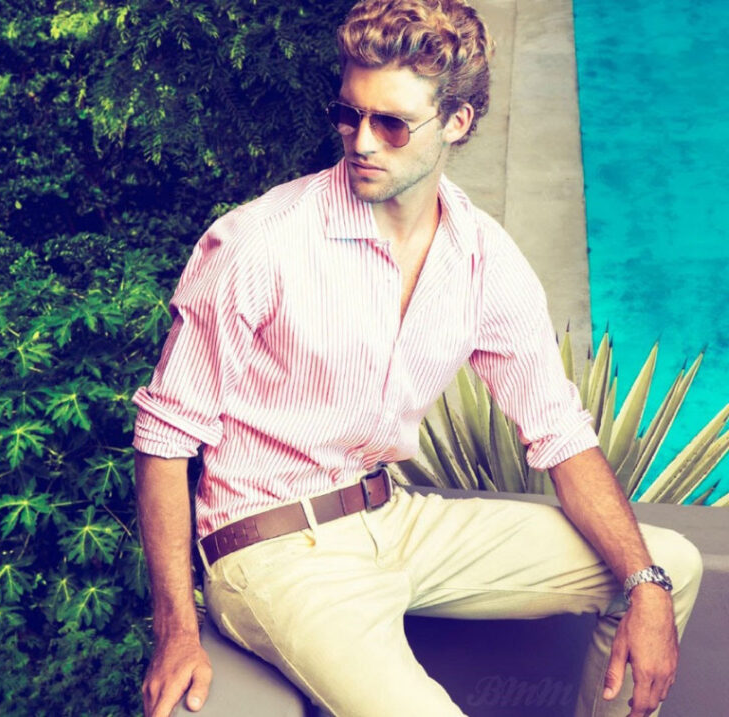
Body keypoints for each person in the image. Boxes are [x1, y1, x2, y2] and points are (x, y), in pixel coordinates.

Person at [132, 1, 703, 715]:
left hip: (397, 519)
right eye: (349, 116)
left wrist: (644, 584)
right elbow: (164, 439)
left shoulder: (481, 254)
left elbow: (560, 433)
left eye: (393, 123)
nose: (362, 141)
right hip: (274, 551)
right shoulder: (260, 243)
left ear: (456, 122)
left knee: (666, 567)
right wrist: (174, 631)